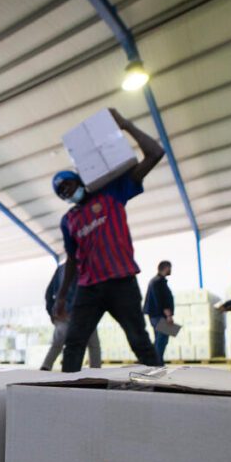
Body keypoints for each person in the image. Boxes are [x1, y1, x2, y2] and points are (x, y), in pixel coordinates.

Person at [52, 108, 164, 372]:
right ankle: (65, 394)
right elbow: (72, 260)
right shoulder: (69, 221)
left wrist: (125, 125)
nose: (66, 192)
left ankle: (164, 387)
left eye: (68, 184)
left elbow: (155, 154)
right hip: (88, 288)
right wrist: (61, 296)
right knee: (74, 342)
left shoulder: (112, 193)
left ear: (80, 179)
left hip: (121, 281)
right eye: (61, 192)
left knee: (139, 340)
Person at [41, 263, 101, 371]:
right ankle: (95, 370)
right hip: (81, 313)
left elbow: (48, 292)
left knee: (57, 343)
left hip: (61, 313)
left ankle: (46, 366)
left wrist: (51, 311)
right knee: (93, 344)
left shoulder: (60, 269)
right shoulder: (85, 266)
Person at [143, 261, 175, 364]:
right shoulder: (158, 281)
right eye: (170, 268)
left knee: (160, 340)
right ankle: (156, 364)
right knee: (162, 340)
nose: (171, 270)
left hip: (157, 315)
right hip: (159, 315)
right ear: (166, 268)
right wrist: (168, 315)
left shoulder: (157, 281)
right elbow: (160, 300)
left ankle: (157, 363)